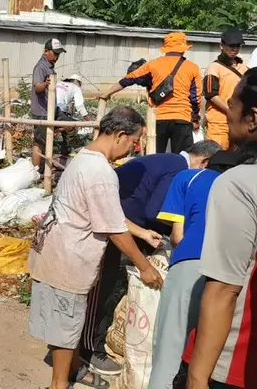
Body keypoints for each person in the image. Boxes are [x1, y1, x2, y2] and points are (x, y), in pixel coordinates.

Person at [28, 106, 163, 389]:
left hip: (54, 250)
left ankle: (74, 367)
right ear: (120, 135)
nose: (132, 148)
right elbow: (113, 229)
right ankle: (58, 384)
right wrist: (145, 266)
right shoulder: (101, 171)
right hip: (68, 257)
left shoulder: (84, 158)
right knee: (65, 324)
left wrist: (141, 232)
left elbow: (107, 212)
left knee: (64, 320)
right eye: (133, 141)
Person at [78, 140, 221, 376]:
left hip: (120, 221)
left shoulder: (171, 160)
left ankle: (96, 342)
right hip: (112, 224)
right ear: (204, 162)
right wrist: (175, 225)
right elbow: (154, 211)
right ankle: (89, 350)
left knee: (109, 284)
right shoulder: (179, 168)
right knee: (102, 287)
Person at [175, 69, 257, 389]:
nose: (227, 112)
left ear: (252, 118)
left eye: (232, 105)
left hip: (233, 359)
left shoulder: (238, 184)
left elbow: (224, 289)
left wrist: (197, 378)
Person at [148, 150, 243, 389]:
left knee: (171, 345)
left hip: (189, 262)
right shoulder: (245, 185)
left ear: (207, 164)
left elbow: (178, 236)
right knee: (213, 352)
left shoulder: (188, 178)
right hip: (234, 272)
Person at [101, 32, 203, 154]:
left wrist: (106, 93)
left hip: (159, 118)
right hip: (182, 118)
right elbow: (196, 97)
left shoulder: (153, 64)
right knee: (182, 158)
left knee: (155, 155)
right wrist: (195, 116)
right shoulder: (193, 67)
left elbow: (128, 79)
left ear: (166, 49)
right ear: (183, 49)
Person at [203, 28, 248, 150]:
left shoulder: (244, 68)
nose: (234, 49)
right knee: (216, 159)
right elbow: (211, 95)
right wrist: (230, 111)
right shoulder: (214, 68)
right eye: (231, 46)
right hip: (219, 124)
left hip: (239, 124)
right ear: (221, 46)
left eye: (238, 46)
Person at [31, 38, 67, 170]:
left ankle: (54, 137)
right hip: (41, 111)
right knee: (39, 142)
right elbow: (37, 87)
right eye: (55, 53)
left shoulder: (50, 66)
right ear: (46, 51)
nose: (57, 57)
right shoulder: (40, 67)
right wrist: (45, 85)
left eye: (58, 54)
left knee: (69, 125)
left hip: (52, 109)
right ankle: (35, 171)